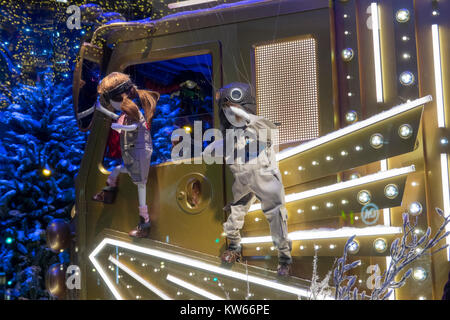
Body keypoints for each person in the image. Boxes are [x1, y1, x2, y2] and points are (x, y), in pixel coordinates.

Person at [206, 82, 292, 276]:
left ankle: (284, 258)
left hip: (265, 179)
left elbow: (269, 130)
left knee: (277, 219)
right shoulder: (229, 137)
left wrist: (246, 116)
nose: (233, 117)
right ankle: (234, 248)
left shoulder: (258, 129)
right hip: (242, 181)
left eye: (237, 112)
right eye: (228, 113)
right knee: (233, 218)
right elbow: (215, 151)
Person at [92, 72, 159, 238]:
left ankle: (144, 222)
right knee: (117, 170)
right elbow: (119, 118)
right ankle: (108, 191)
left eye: (110, 101)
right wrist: (101, 110)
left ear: (119, 97)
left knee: (140, 186)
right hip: (132, 152)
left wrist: (119, 128)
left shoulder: (134, 110)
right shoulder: (126, 112)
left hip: (139, 153)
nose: (111, 105)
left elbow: (136, 126)